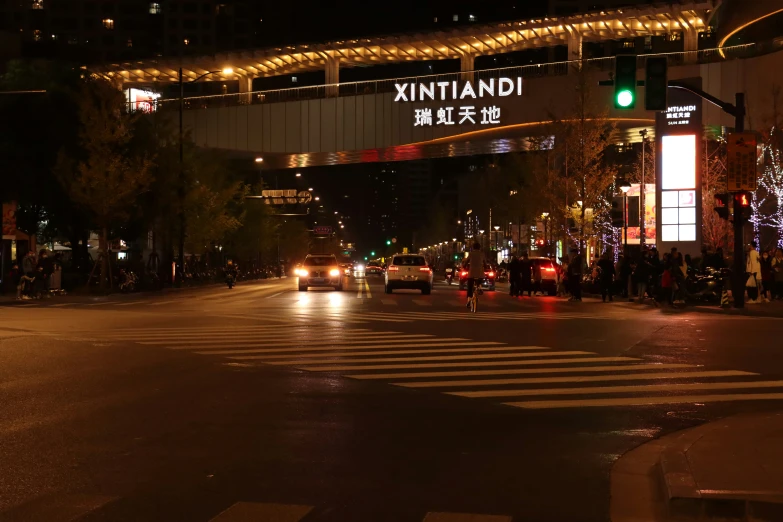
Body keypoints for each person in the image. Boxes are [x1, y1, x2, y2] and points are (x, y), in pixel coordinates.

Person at [464, 242, 485, 307]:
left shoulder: (471, 254)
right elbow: (485, 263)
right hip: (480, 272)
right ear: (480, 247)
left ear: (473, 248)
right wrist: (485, 267)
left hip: (472, 272)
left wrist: (464, 266)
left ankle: (468, 301)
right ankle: (479, 287)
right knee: (480, 279)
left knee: (470, 287)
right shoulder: (482, 254)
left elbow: (466, 262)